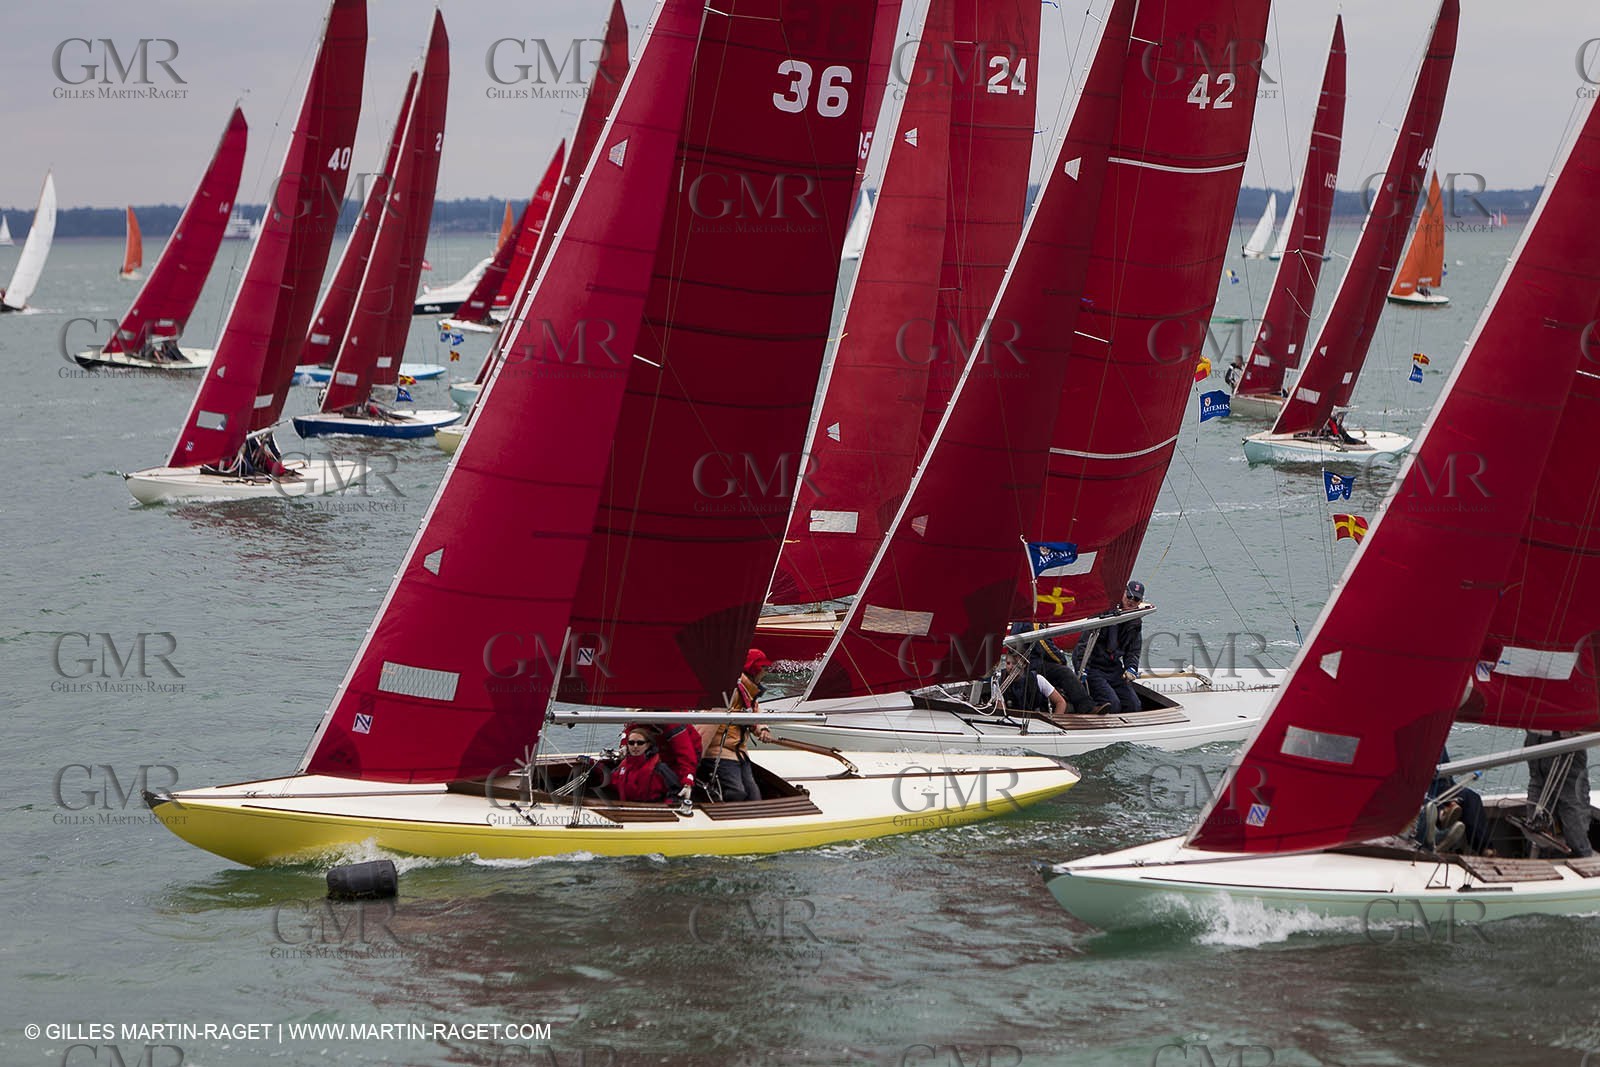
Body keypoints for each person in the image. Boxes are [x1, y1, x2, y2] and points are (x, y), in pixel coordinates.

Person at [697, 649, 774, 803]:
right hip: (721, 753)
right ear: (754, 669)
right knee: (736, 793)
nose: (766, 673)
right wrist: (695, 759)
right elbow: (707, 724)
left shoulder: (749, 692)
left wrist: (762, 729)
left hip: (739, 754)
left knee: (754, 797)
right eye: (764, 669)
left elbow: (755, 713)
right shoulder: (730, 692)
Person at [1079, 581, 1146, 715]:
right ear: (1123, 594)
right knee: (1113, 703)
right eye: (1129, 596)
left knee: (1134, 704)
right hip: (1094, 668)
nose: (1131, 601)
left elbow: (1133, 651)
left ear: (1140, 602)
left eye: (1136, 599)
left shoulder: (1135, 622)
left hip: (1114, 668)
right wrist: (1081, 669)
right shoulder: (1104, 613)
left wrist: (1131, 668)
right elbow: (1083, 645)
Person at [1525, 731, 1593, 857]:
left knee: (1575, 833)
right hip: (1538, 773)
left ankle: (1584, 862)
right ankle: (1541, 862)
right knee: (1536, 832)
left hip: (1568, 766)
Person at [1007, 622, 1094, 715]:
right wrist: (1061, 660)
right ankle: (1087, 707)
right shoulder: (1033, 623)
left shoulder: (1018, 623)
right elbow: (1047, 647)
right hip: (1032, 664)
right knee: (1064, 672)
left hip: (1026, 662)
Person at [609, 726, 680, 804]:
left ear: (648, 745)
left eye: (640, 743)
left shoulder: (659, 768)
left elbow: (675, 791)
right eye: (631, 743)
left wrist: (666, 807)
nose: (635, 746)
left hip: (653, 810)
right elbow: (610, 781)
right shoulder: (622, 767)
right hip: (627, 808)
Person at [994, 646, 1068, 717]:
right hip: (1012, 724)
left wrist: (1054, 722)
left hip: (1039, 722)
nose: (1010, 667)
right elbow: (1001, 711)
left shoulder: (1038, 680)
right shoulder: (1000, 682)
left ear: (1024, 664)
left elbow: (1061, 702)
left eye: (1015, 663)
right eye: (1008, 663)